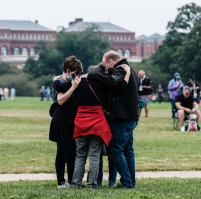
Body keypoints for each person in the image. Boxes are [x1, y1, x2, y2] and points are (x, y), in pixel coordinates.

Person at [81, 50, 139, 189]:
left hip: (122, 117)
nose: (105, 67)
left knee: (116, 149)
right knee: (127, 150)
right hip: (131, 116)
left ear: (111, 61)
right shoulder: (129, 69)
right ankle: (130, 181)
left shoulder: (120, 69)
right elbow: (120, 87)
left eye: (105, 64)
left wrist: (93, 75)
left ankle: (127, 182)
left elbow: (114, 81)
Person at [49, 56, 83, 188]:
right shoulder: (59, 83)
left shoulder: (64, 81)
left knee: (72, 151)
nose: (77, 76)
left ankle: (72, 181)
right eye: (75, 73)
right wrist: (73, 87)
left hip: (71, 119)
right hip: (61, 119)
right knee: (62, 151)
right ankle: (61, 182)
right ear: (69, 71)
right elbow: (61, 101)